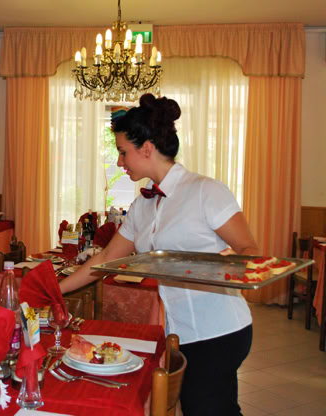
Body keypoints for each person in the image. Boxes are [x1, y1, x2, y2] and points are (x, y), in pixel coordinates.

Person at [59, 93, 259, 416]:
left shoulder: (205, 191)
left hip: (219, 329)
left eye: (123, 152)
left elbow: (250, 252)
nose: (120, 162)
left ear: (147, 148)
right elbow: (105, 258)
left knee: (206, 408)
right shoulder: (143, 205)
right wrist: (56, 290)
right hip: (182, 333)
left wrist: (213, 268)